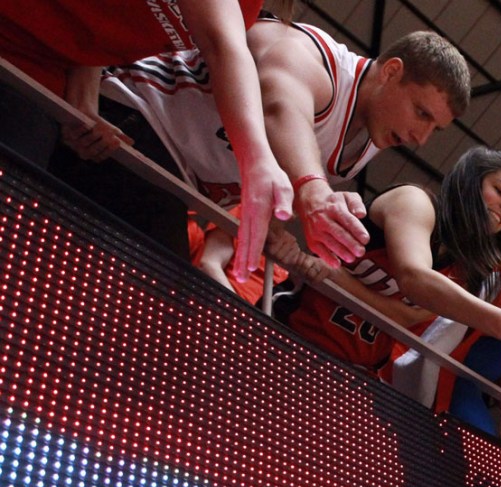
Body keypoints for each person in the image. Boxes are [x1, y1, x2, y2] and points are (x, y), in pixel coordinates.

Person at [101, 19, 471, 275]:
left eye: (434, 129)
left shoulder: (368, 143)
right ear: (391, 72)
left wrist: (279, 230)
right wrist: (313, 188)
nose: (421, 137)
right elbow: (280, 103)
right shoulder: (319, 61)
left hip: (173, 181)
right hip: (128, 113)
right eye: (421, 113)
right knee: (159, 294)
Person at [0, 0, 292, 280]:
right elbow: (220, 46)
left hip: (38, 76)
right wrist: (258, 157)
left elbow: (107, 28)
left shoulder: (247, 9)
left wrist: (84, 104)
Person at [283, 146, 501, 380]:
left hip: (354, 374)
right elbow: (413, 277)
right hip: (289, 335)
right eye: (500, 190)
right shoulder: (414, 201)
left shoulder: (466, 270)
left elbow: (405, 318)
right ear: (469, 183)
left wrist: (338, 281)